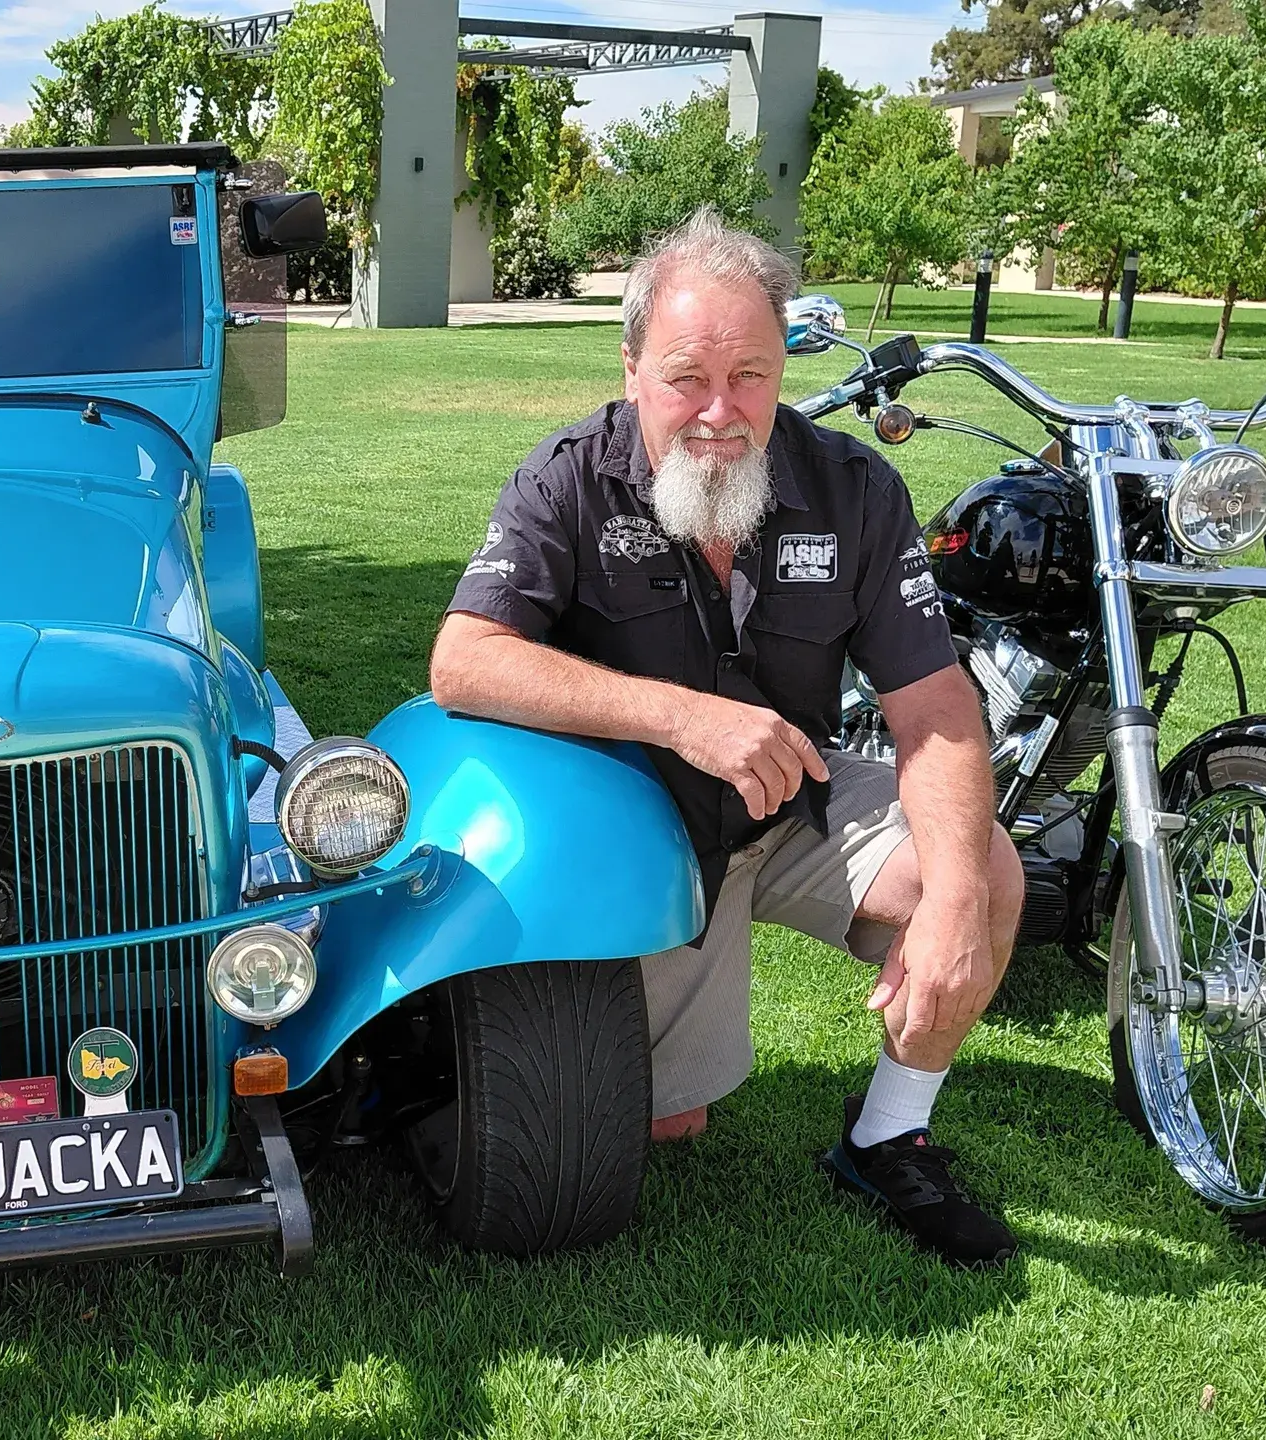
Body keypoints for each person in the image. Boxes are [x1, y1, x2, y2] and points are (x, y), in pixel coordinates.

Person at [429, 208, 1025, 1268]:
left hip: (784, 805)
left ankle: (888, 1135)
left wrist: (955, 906)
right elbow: (463, 660)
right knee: (658, 1124)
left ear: (782, 366)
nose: (718, 412)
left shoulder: (853, 488)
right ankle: (656, 1030)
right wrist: (678, 715)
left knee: (981, 869)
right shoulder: (566, 478)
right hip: (629, 838)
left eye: (749, 376)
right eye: (684, 378)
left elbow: (933, 710)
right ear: (629, 369)